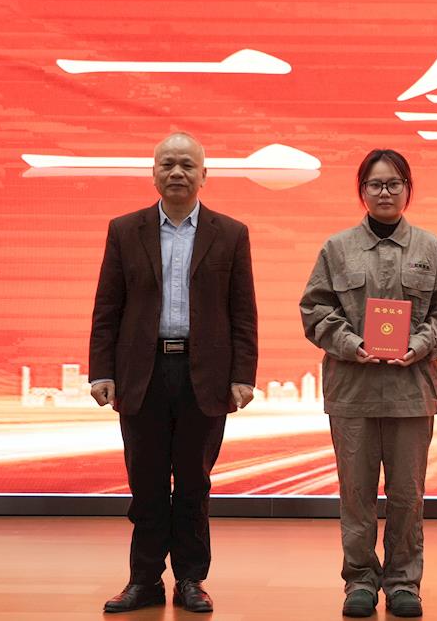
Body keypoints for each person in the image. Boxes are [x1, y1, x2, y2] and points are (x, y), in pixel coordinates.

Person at [89, 132, 258, 613]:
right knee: (145, 483)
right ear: (154, 173)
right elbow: (108, 307)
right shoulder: (125, 230)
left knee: (193, 483)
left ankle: (190, 579)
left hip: (204, 375)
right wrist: (101, 370)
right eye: (168, 164)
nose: (177, 172)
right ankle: (144, 580)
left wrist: (243, 374)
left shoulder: (231, 233)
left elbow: (243, 312)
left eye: (187, 164)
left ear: (204, 174)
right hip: (141, 374)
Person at [300, 149, 437, 618]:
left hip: (411, 391)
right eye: (375, 184)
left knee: (408, 496)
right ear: (362, 191)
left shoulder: (431, 249)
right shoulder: (336, 249)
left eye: (394, 183)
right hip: (352, 391)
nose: (385, 192)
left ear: (408, 189)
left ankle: (404, 582)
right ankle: (360, 581)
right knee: (356, 495)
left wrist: (420, 343)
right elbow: (315, 310)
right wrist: (351, 343)